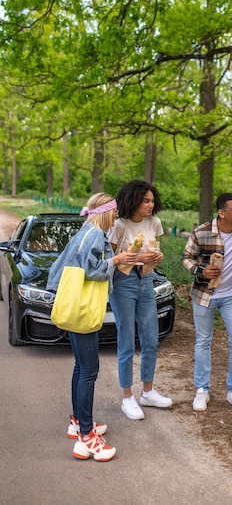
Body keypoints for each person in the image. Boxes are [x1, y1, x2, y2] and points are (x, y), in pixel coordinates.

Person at [47, 193, 137, 461]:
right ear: (106, 212)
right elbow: (93, 271)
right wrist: (117, 261)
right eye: (115, 211)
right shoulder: (96, 234)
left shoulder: (85, 230)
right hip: (83, 310)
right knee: (89, 370)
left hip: (75, 308)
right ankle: (86, 437)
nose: (116, 216)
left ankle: (78, 422)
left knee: (81, 367)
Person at [182, 193, 232, 413]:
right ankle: (202, 389)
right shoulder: (202, 232)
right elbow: (186, 257)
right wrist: (200, 270)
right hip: (205, 295)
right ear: (222, 213)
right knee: (203, 341)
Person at [109, 179, 172, 421]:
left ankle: (148, 391)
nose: (150, 204)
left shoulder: (154, 223)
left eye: (152, 200)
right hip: (123, 282)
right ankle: (127, 397)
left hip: (146, 280)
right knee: (126, 340)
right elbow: (112, 257)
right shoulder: (120, 225)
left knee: (151, 338)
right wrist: (136, 256)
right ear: (133, 200)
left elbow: (154, 252)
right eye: (146, 200)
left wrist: (156, 257)